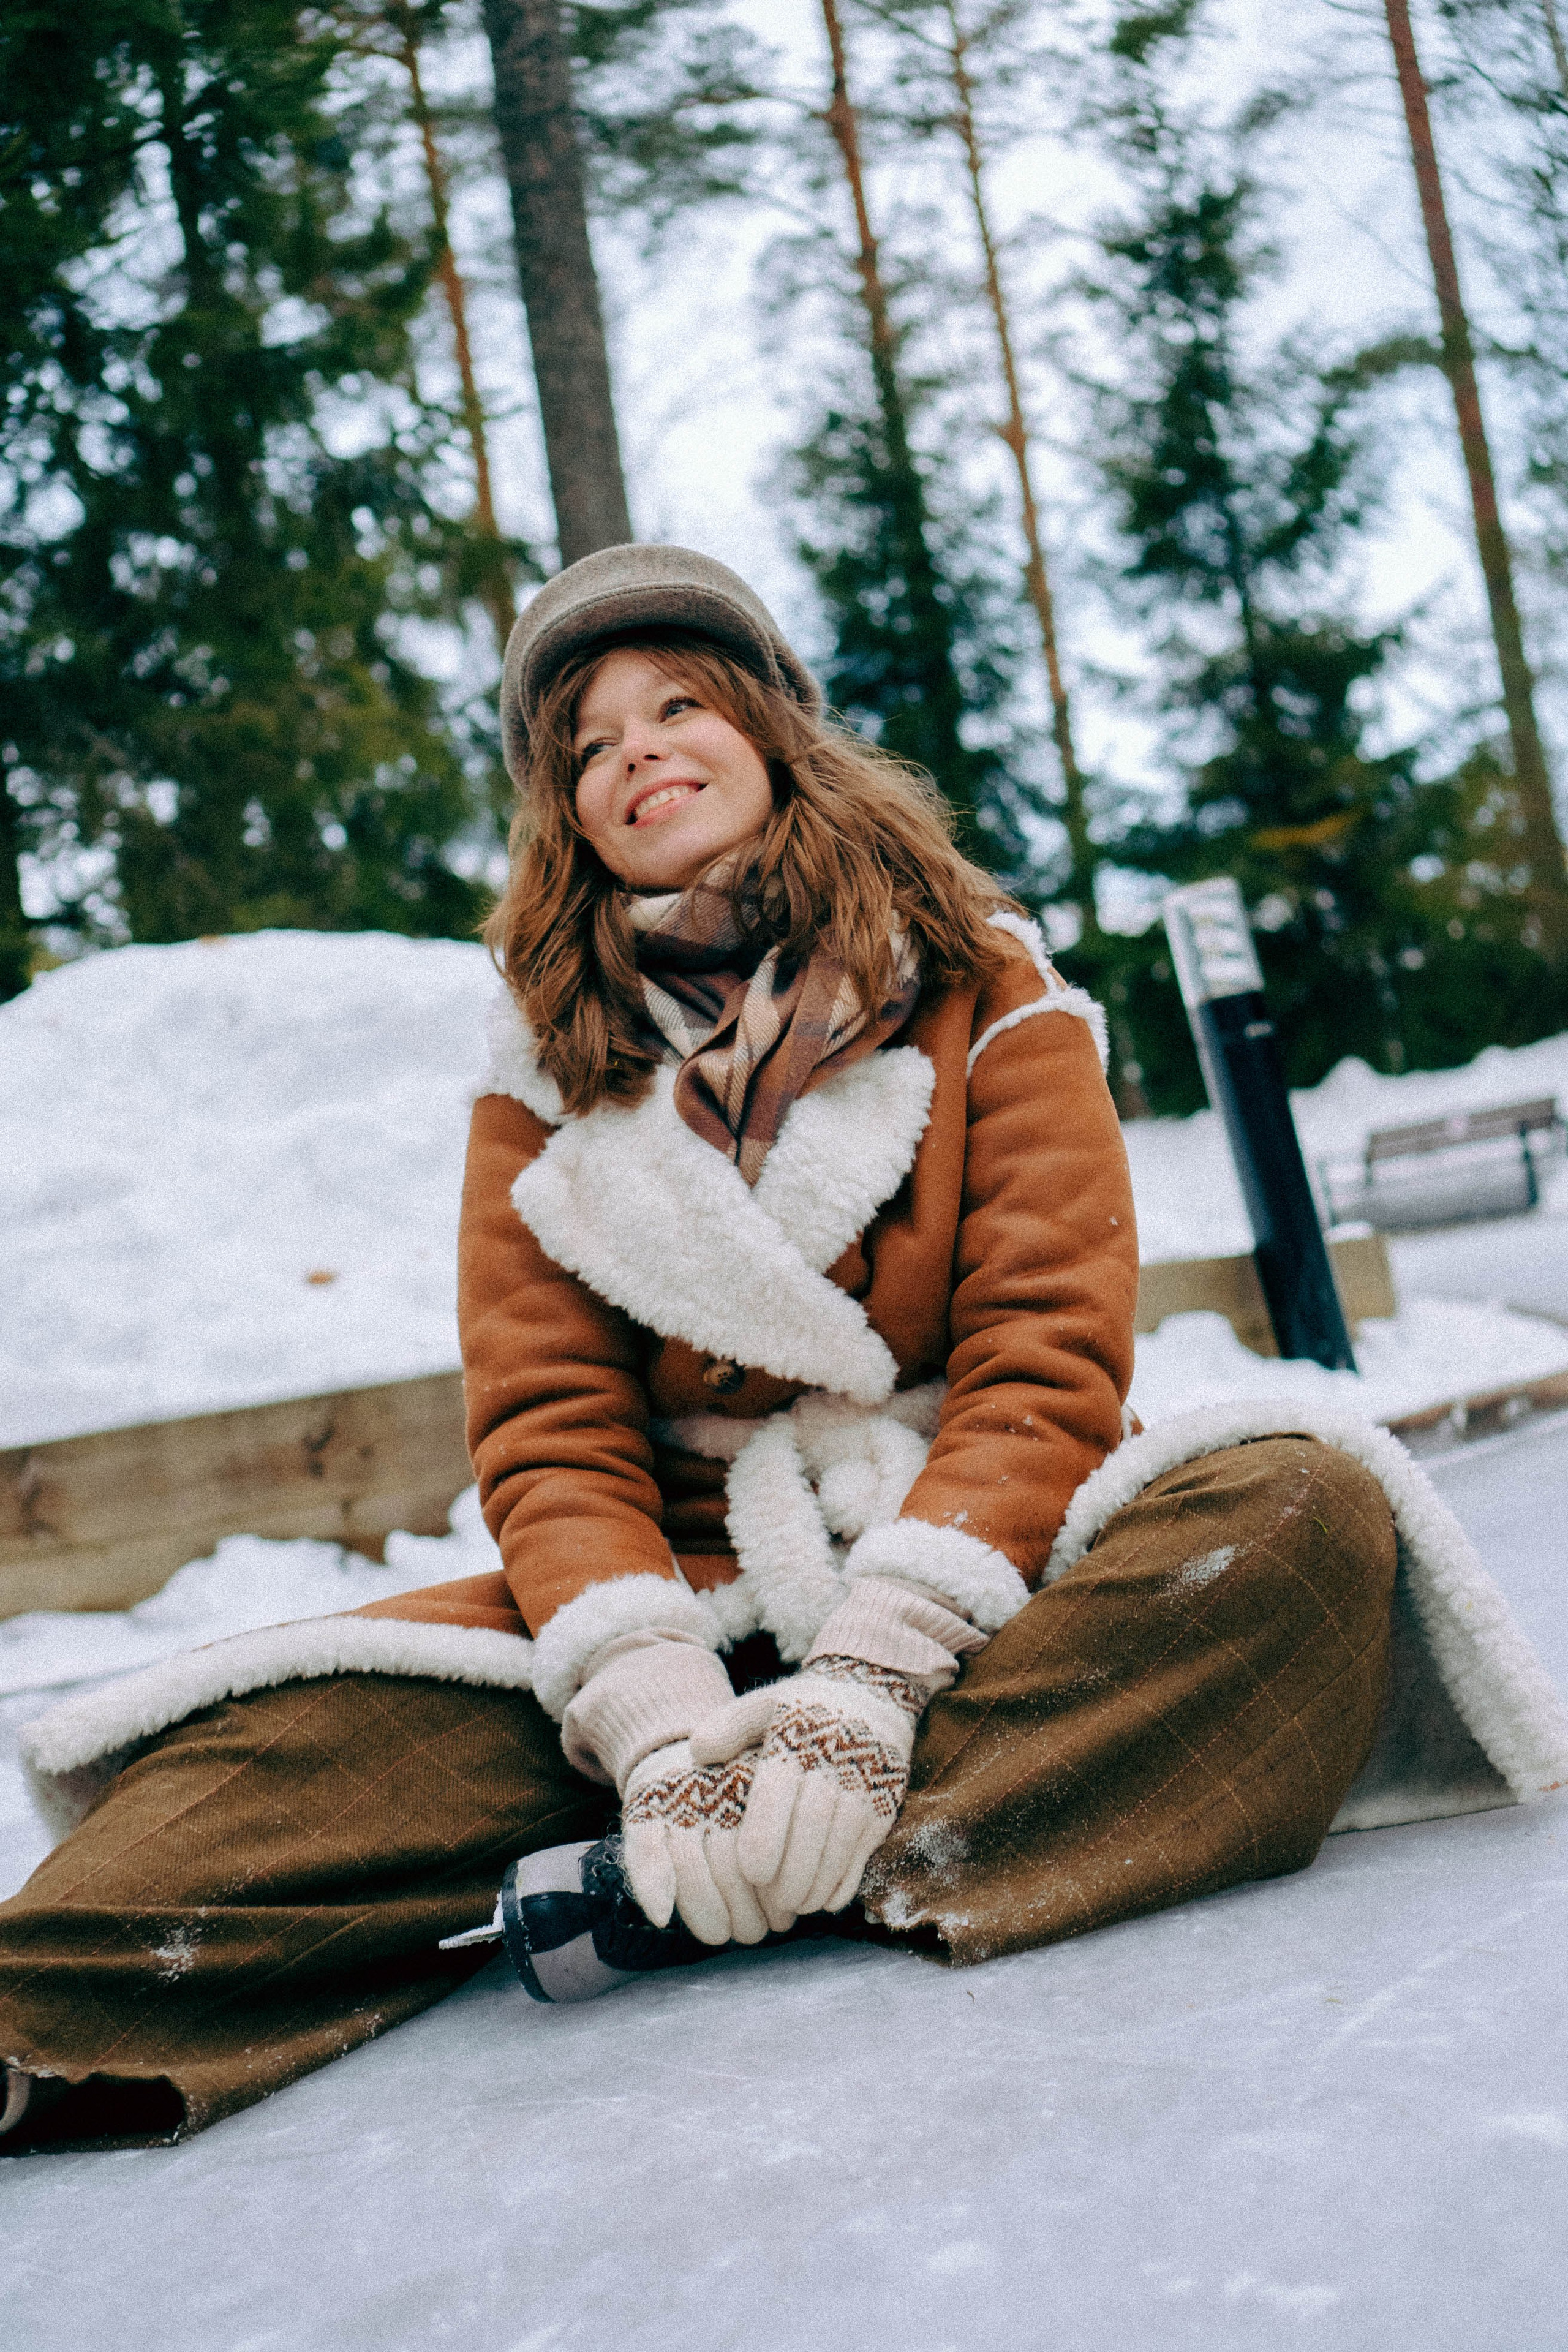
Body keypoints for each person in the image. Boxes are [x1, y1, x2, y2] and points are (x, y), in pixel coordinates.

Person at [2, 546, 1561, 2150]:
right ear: (567, 807)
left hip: (964, 1579)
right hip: (679, 1598)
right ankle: (64, 2011)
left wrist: (872, 1677)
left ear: (768, 728)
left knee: (1307, 1521)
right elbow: (549, 1432)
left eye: (675, 704)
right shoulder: (540, 1066)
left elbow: (1046, 1355)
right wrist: (662, 1720)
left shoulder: (985, 984)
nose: (636, 755)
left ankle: (690, 1890)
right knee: (262, 1755)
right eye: (588, 745)